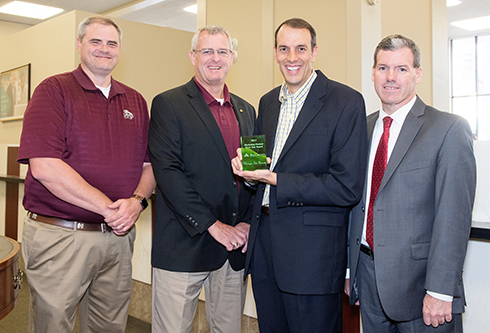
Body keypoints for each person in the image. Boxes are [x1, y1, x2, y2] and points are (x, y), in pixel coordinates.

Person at [18, 16, 156, 333]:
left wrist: (136, 202)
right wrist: (109, 208)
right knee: (53, 325)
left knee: (110, 327)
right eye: (95, 41)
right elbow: (44, 167)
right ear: (79, 44)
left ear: (120, 49)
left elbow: (148, 166)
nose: (104, 49)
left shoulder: (135, 100)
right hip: (62, 236)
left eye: (111, 43)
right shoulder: (53, 90)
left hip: (117, 238)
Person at [231, 18, 368, 332]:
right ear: (276, 53)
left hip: (313, 255)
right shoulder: (266, 103)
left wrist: (276, 179)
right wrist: (247, 173)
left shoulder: (345, 102)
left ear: (315, 52)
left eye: (301, 48)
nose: (292, 57)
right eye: (284, 49)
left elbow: (346, 187)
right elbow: (259, 171)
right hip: (264, 248)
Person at [345, 34, 476, 332]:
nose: (390, 77)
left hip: (423, 289)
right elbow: (357, 202)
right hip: (368, 277)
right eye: (382, 68)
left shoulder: (448, 129)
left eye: (401, 69)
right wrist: (351, 268)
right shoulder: (361, 128)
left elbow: (454, 217)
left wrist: (441, 291)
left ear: (417, 74)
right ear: (373, 73)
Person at [148, 25, 256, 333]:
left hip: (233, 249)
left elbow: (254, 174)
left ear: (233, 57)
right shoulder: (169, 104)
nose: (215, 58)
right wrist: (213, 226)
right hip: (185, 244)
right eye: (206, 51)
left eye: (222, 51)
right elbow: (168, 173)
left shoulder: (246, 111)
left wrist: (247, 222)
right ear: (193, 56)